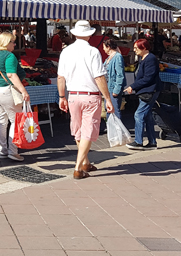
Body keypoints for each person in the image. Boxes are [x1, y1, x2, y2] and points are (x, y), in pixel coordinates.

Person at [57, 21, 114, 179]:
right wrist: (107, 98)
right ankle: (78, 167)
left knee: (79, 131)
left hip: (73, 95)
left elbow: (61, 77)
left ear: (74, 34)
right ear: (89, 34)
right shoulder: (93, 51)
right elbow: (99, 77)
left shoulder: (66, 52)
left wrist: (62, 96)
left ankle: (85, 162)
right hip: (90, 95)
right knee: (87, 131)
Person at [0, 32, 30, 161]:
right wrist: (23, 91)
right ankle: (13, 151)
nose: (14, 44)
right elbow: (11, 75)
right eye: (13, 42)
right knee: (15, 121)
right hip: (6, 91)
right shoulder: (10, 56)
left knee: (1, 121)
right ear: (7, 43)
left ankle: (2, 150)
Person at [124, 39, 162, 150]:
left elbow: (148, 78)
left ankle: (138, 141)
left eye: (136, 48)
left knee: (138, 114)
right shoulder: (143, 58)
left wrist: (133, 86)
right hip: (145, 91)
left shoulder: (150, 59)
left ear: (144, 48)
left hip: (150, 91)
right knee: (148, 116)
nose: (134, 50)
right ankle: (152, 142)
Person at [103, 39, 126, 120]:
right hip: (108, 88)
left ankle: (117, 131)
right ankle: (111, 130)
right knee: (108, 110)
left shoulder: (117, 57)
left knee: (115, 111)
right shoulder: (109, 58)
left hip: (113, 88)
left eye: (104, 47)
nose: (103, 49)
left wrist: (116, 90)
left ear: (108, 47)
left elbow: (120, 75)